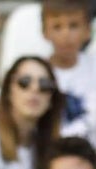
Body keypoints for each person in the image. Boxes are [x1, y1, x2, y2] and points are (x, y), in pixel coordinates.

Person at [41, 0, 96, 145]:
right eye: (57, 27)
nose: (66, 34)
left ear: (88, 31)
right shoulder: (38, 73)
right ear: (45, 32)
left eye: (74, 26)